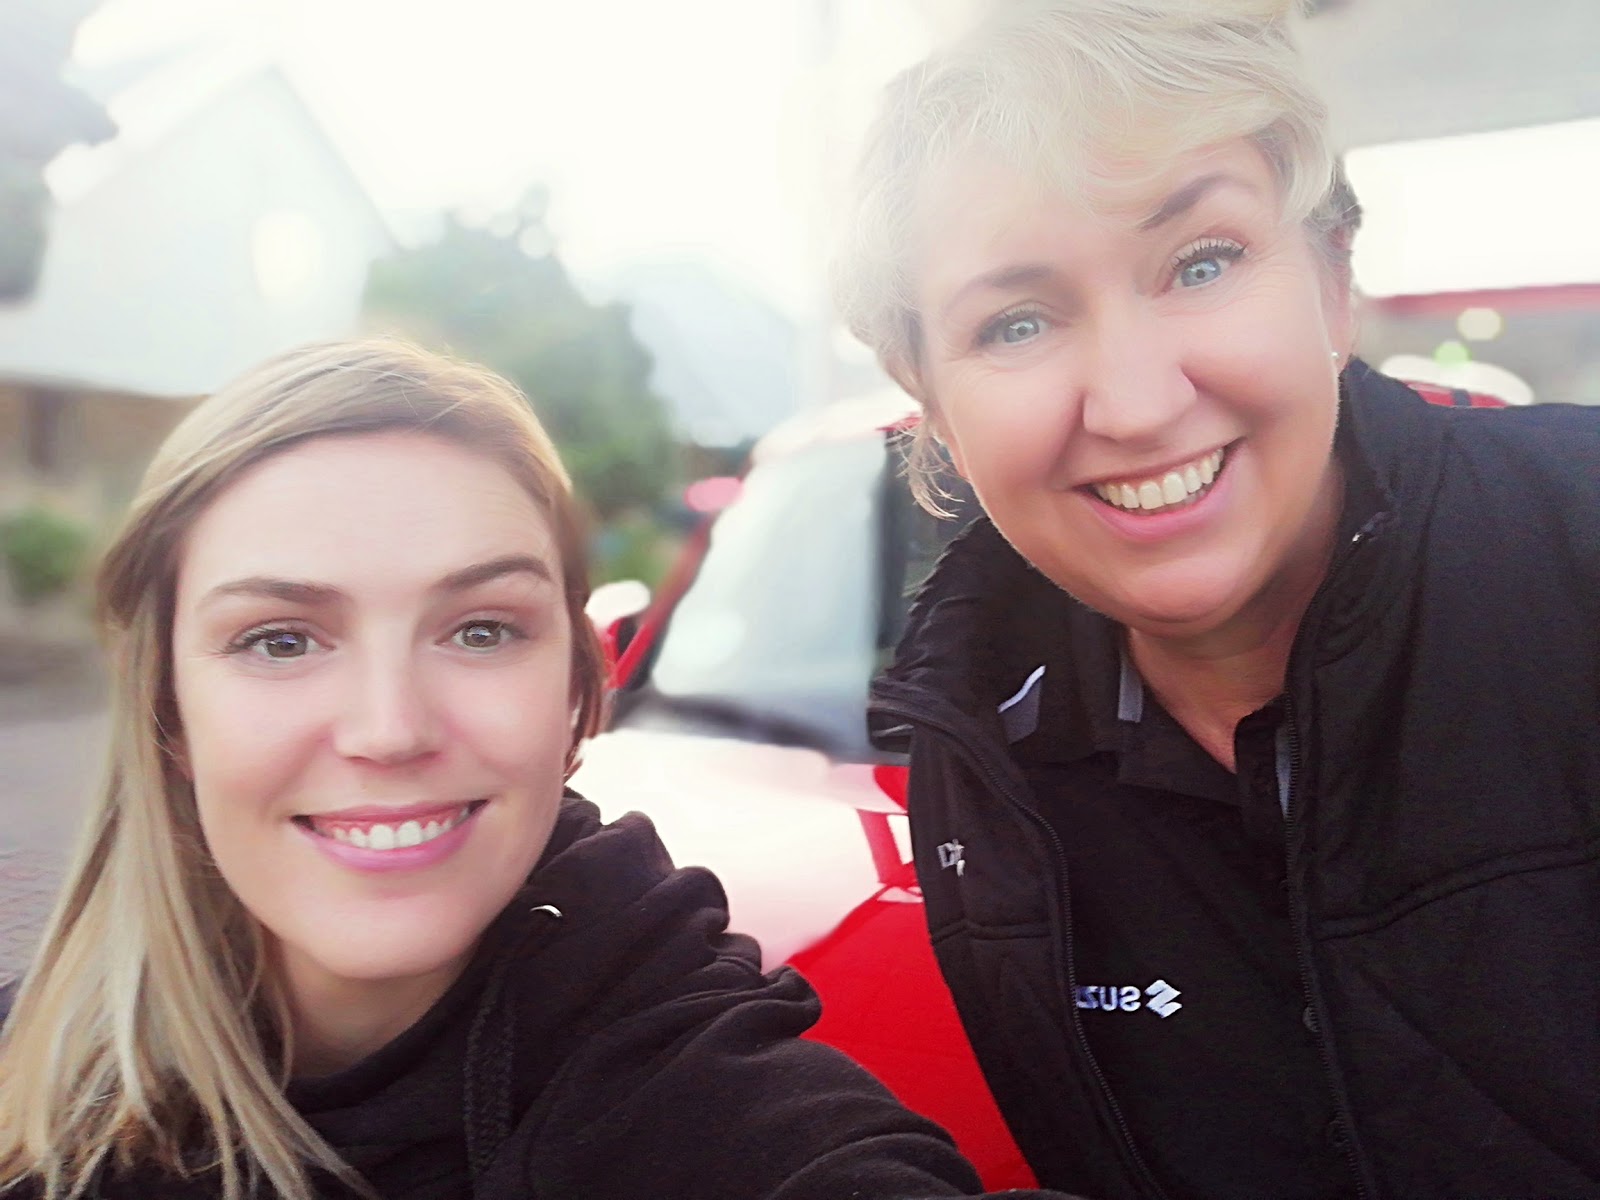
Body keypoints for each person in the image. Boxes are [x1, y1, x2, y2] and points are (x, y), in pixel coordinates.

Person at [0, 339, 1087, 1200]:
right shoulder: (28, 1092)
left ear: (576, 685)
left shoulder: (686, 1087)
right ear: (167, 712)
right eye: (282, 638)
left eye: (478, 630)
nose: (388, 729)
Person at [835, 2, 1600, 1198]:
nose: (1135, 404)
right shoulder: (988, 761)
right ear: (927, 398)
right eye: (1017, 321)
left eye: (1202, 262)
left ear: (1332, 276)